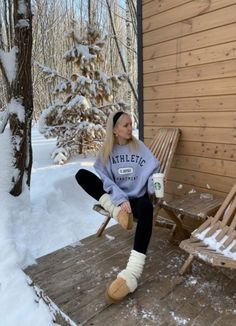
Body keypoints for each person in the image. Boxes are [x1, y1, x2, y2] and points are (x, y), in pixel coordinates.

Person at [75, 111, 160, 302]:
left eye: (131, 124)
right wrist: (120, 201)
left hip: (137, 199)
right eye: (126, 125)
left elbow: (154, 170)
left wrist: (153, 187)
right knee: (82, 174)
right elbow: (105, 180)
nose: (131, 129)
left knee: (147, 208)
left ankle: (132, 273)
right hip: (117, 198)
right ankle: (116, 212)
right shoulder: (107, 151)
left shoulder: (140, 148)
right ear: (114, 130)